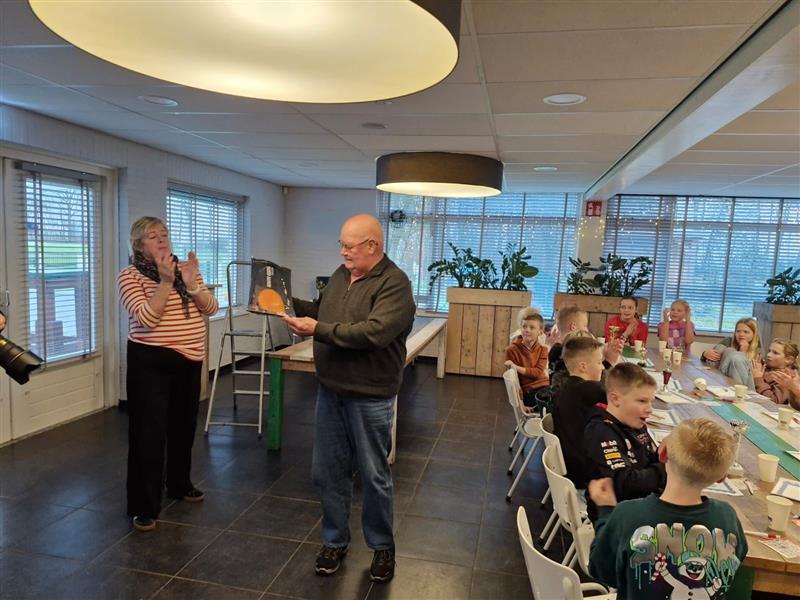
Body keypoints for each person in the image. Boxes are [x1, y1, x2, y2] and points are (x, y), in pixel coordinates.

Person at [283, 214, 415, 583]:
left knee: (374, 476)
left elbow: (372, 334)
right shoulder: (341, 275)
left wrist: (318, 329)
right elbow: (323, 313)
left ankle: (382, 547)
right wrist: (286, 304)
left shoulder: (395, 284)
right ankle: (334, 541)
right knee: (327, 473)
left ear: (373, 246)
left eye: (349, 245)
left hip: (370, 396)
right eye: (341, 244)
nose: (342, 252)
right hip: (331, 391)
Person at [118, 216, 218, 532]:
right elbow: (147, 319)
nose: (161, 239)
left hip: (190, 359)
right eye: (152, 236)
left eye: (164, 234)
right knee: (148, 433)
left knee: (183, 426)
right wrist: (164, 283)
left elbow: (211, 308)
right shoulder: (129, 276)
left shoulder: (185, 269)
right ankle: (143, 505)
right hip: (151, 361)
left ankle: (179, 483)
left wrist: (191, 284)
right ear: (139, 245)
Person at [588, 418, 747, 599]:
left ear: (663, 454)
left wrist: (606, 512)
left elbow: (602, 571)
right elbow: (735, 563)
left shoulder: (627, 515)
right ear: (722, 477)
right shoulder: (727, 517)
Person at [583, 363, 665, 521]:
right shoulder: (601, 432)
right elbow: (624, 484)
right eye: (642, 401)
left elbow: (646, 461)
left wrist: (663, 454)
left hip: (638, 506)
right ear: (615, 399)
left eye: (651, 401)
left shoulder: (635, 423)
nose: (649, 409)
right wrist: (667, 470)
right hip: (614, 519)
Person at [552, 336, 606, 489]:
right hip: (584, 473)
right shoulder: (591, 390)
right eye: (599, 362)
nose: (603, 367)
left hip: (567, 463)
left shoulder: (566, 387)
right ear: (583, 366)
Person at [548, 304, 623, 375]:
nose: (587, 330)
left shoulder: (554, 349)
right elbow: (593, 378)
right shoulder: (574, 351)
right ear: (573, 327)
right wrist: (609, 361)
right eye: (584, 325)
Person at [504, 307, 548, 408]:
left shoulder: (543, 349)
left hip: (545, 386)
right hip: (529, 391)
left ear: (540, 332)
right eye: (524, 326)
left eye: (532, 328)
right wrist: (521, 403)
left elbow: (538, 373)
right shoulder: (511, 350)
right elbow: (513, 381)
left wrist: (516, 367)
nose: (527, 330)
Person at [701, 317, 762, 389]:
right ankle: (713, 381)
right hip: (722, 376)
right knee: (721, 348)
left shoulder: (757, 350)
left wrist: (742, 353)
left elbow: (748, 375)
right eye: (738, 331)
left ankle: (718, 381)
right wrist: (704, 354)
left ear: (754, 334)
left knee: (733, 354)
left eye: (746, 332)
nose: (741, 334)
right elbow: (710, 361)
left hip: (743, 386)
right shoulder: (728, 341)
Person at [753, 338, 799, 407]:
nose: (768, 355)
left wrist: (758, 379)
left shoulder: (786, 377)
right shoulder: (764, 367)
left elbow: (774, 400)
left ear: (788, 359)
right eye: (769, 351)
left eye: (775, 353)